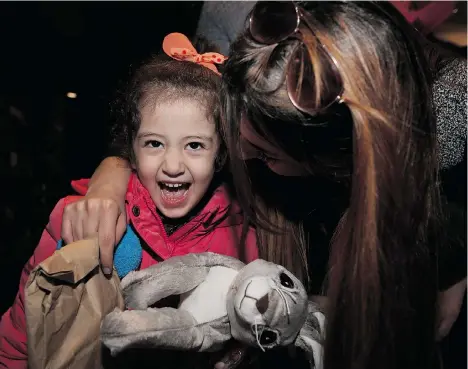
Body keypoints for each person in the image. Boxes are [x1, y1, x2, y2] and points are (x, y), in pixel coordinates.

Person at [57, 2, 467, 369]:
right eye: (237, 133)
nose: (242, 157)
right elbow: (158, 121)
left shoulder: (447, 132)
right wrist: (110, 177)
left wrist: (454, 265)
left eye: (267, 155)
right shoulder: (270, 72)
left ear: (335, 165)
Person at [0, 33, 258, 368]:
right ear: (131, 150)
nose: (173, 165)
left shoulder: (246, 239)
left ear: (221, 153)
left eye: (194, 145)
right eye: (154, 144)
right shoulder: (77, 219)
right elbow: (18, 344)